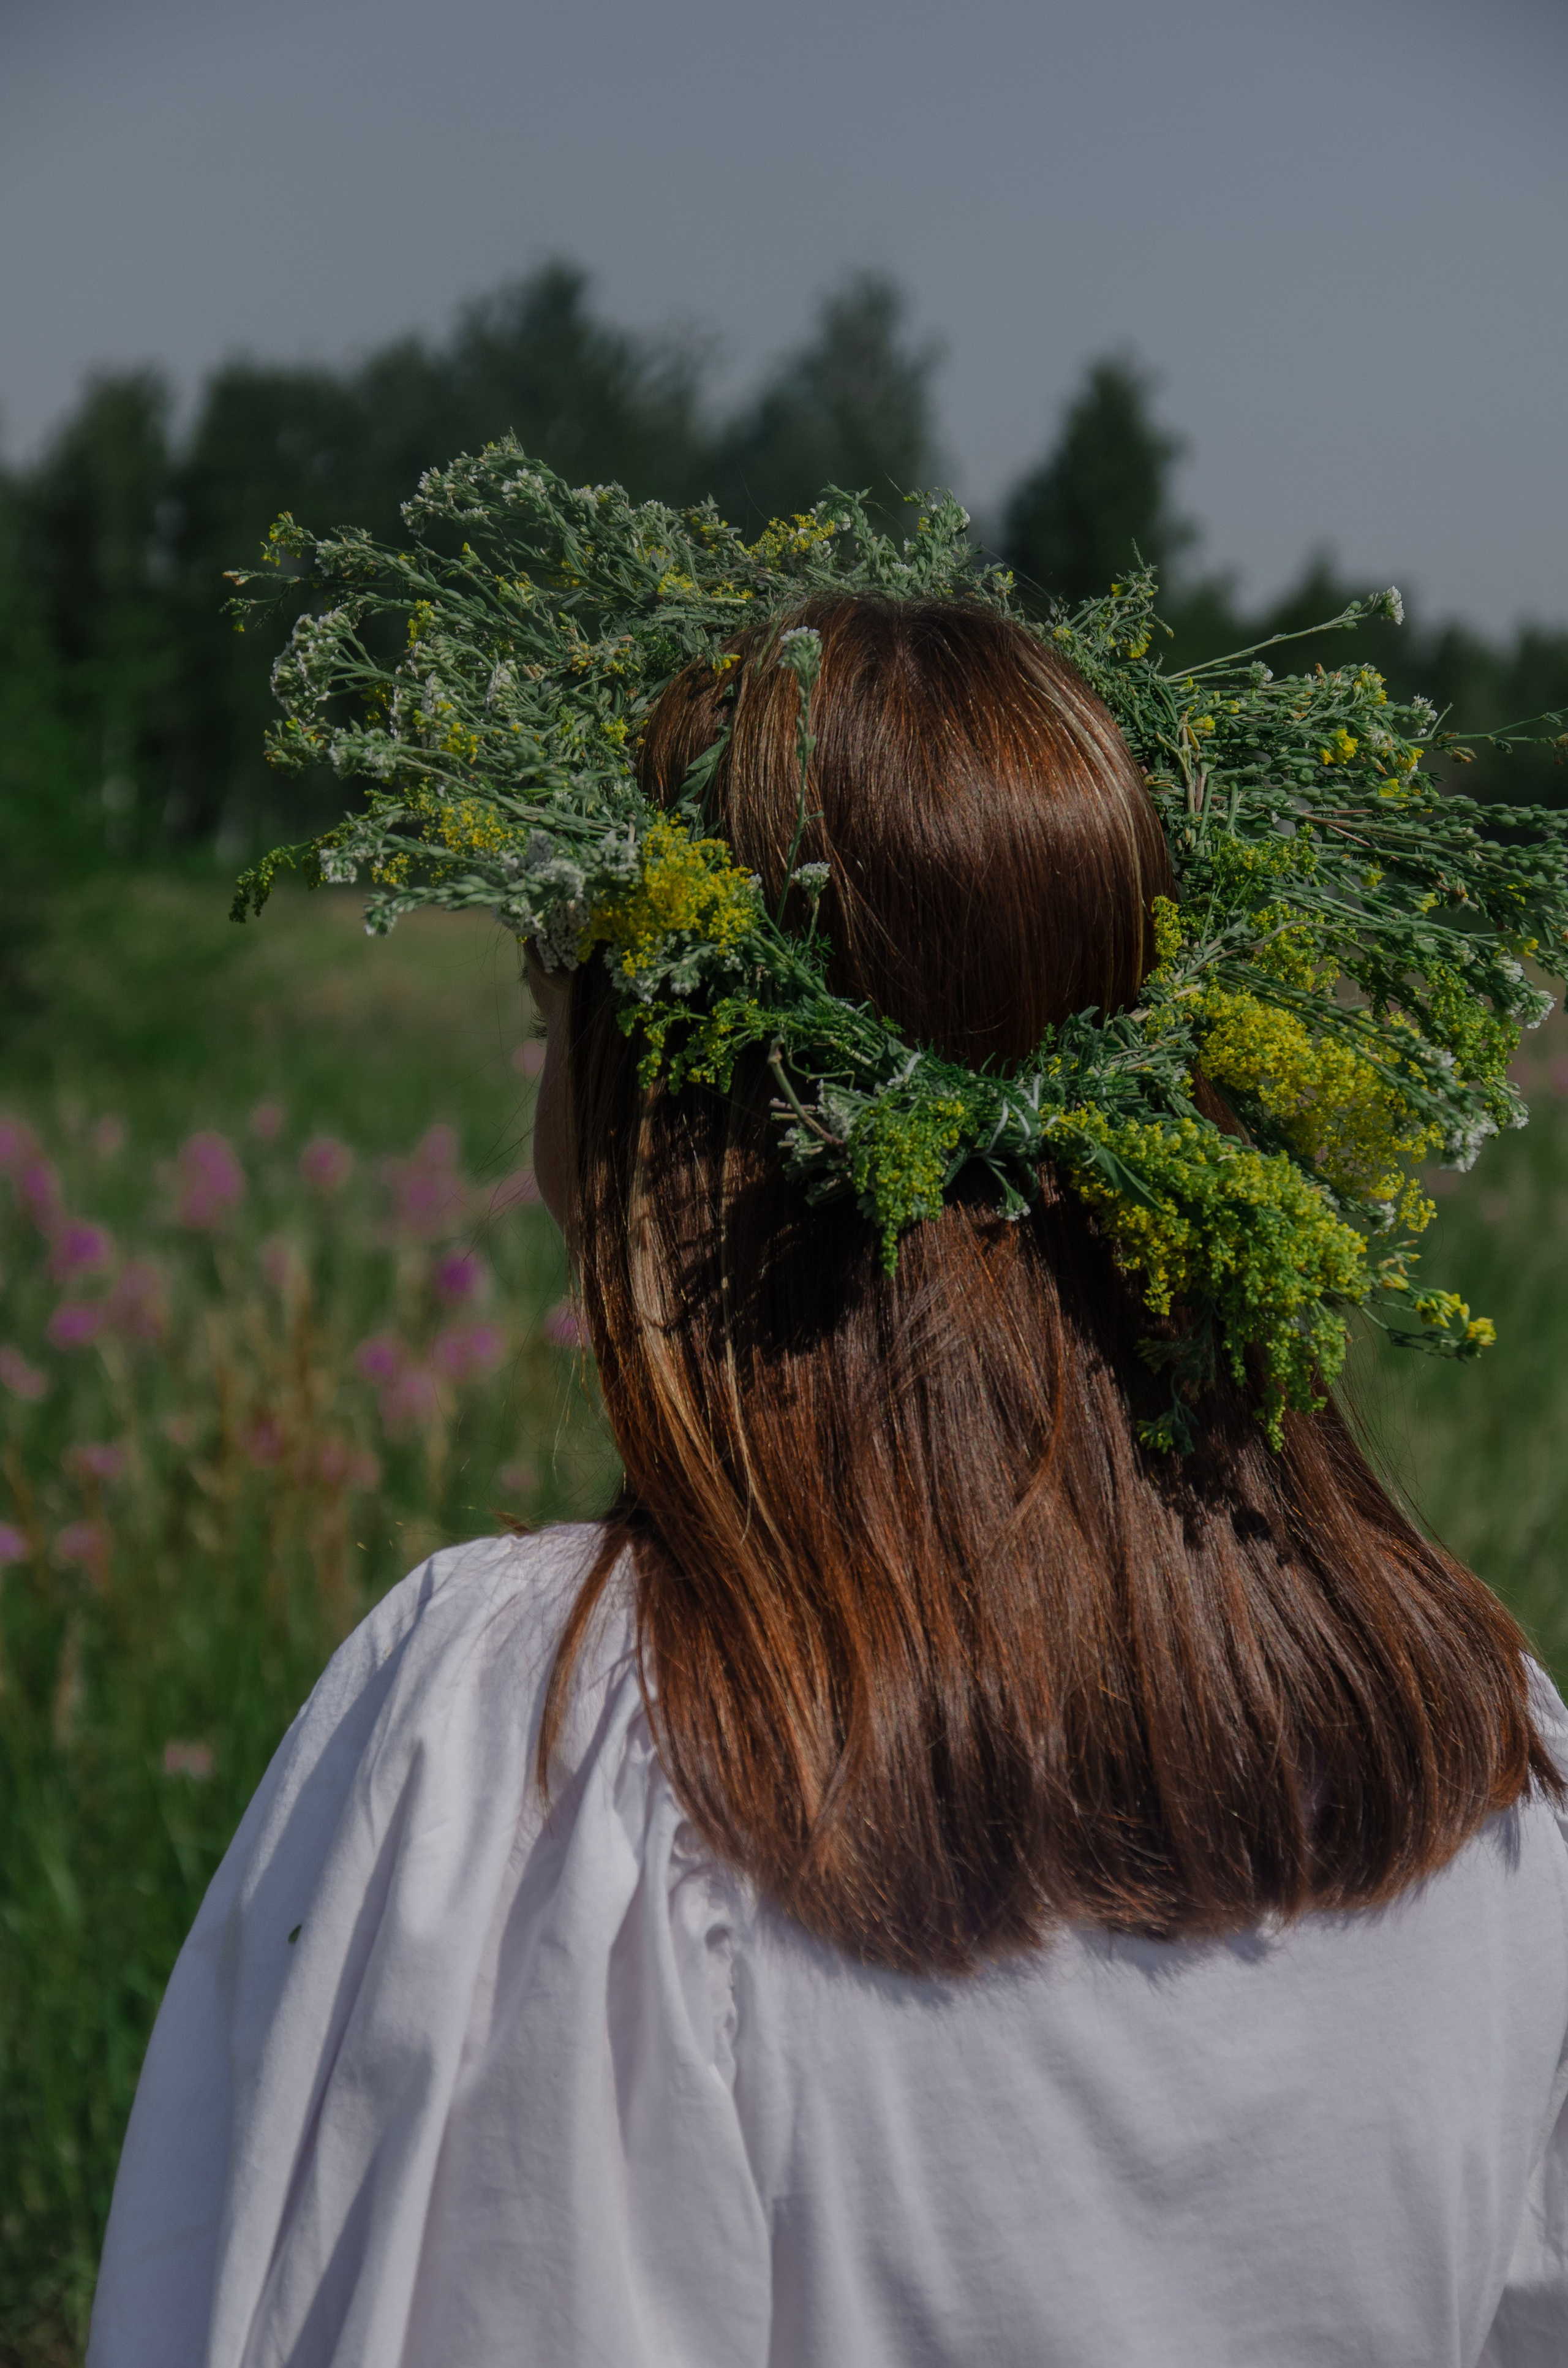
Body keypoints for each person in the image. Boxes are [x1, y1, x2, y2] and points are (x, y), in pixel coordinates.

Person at [89, 498, 1568, 2364]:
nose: (538, 1128)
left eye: (557, 1026)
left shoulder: (557, 1737)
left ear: (692, 1121)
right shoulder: (1482, 1747)